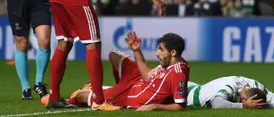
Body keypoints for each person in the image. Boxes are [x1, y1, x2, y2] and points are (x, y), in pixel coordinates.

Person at [42, 31, 189, 111]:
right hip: (138, 83)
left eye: (160, 50)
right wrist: (136, 51)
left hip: (132, 96)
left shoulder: (178, 73)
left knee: (80, 96)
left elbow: (179, 106)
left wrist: (154, 106)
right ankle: (114, 88)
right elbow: (148, 76)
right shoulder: (166, 64)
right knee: (114, 55)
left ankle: (103, 94)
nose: (157, 53)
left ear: (173, 52)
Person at [187, 76, 274, 109]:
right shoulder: (229, 87)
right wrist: (244, 106)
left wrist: (263, 105)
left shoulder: (255, 85)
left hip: (197, 87)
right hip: (188, 94)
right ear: (243, 99)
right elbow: (216, 103)